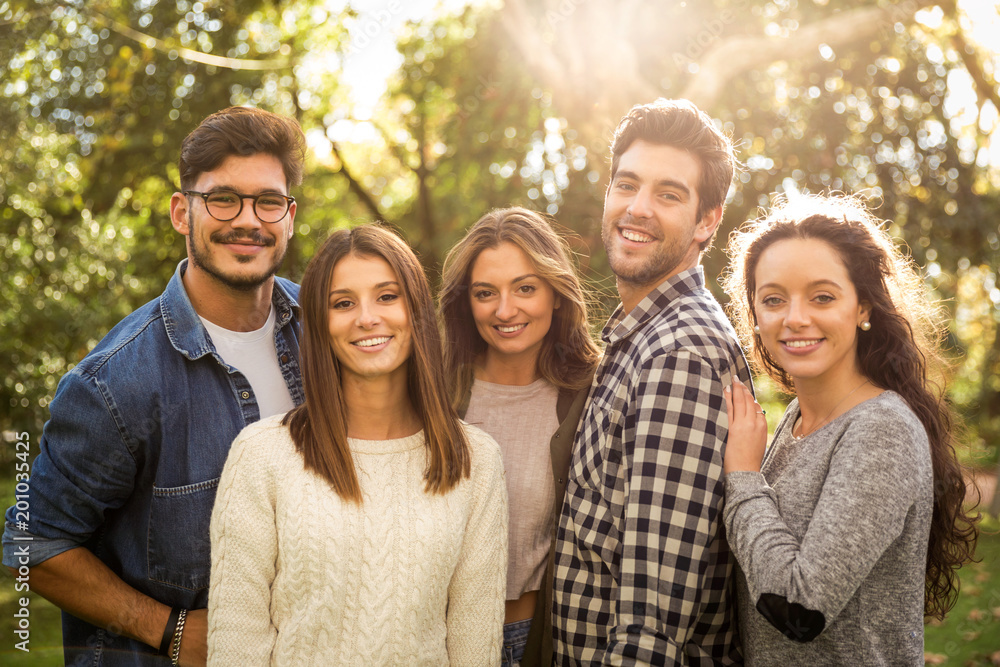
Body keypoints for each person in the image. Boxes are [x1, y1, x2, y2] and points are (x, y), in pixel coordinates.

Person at [2, 106, 306, 666]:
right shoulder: (116, 381)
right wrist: (170, 630)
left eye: (267, 201)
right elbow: (30, 543)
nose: (248, 219)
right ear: (181, 213)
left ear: (289, 215)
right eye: (222, 199)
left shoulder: (324, 330)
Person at [207, 223, 508, 664]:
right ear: (321, 323)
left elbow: (474, 647)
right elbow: (237, 644)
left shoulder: (475, 461)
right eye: (343, 303)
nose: (367, 318)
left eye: (387, 296)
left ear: (416, 310)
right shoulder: (262, 456)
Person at [720, 194, 978, 664]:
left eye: (822, 296)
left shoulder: (882, 431)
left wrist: (742, 478)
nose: (795, 318)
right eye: (774, 299)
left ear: (863, 308)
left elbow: (799, 608)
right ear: (755, 316)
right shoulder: (795, 420)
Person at [552, 98, 751, 665]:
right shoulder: (640, 336)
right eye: (627, 185)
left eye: (669, 194)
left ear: (707, 220)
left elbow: (652, 624)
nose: (637, 208)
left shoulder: (679, 353)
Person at [438, 207, 601, 666]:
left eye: (525, 288)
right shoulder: (434, 392)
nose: (505, 310)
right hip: (440, 640)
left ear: (555, 292)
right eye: (485, 293)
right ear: (466, 302)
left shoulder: (593, 395)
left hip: (542, 639)